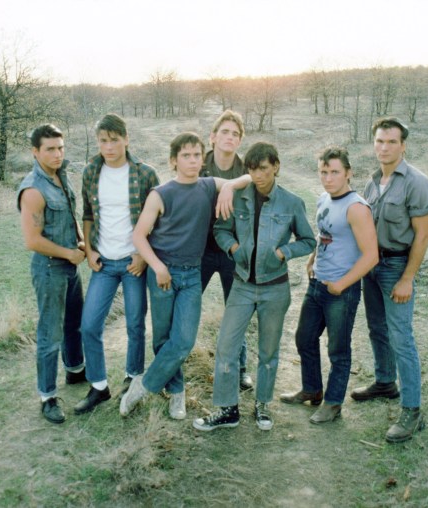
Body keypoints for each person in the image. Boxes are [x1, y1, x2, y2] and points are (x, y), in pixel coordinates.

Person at [120, 132, 251, 420]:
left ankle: (143, 385)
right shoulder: (161, 193)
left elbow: (250, 179)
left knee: (183, 340)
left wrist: (228, 187)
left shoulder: (206, 187)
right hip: (163, 274)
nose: (192, 161)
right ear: (174, 160)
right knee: (163, 338)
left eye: (196, 155)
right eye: (185, 156)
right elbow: (139, 236)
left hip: (192, 275)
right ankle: (177, 393)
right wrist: (157, 266)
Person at [192, 142, 316, 432]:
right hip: (242, 285)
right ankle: (227, 409)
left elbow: (309, 240)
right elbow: (221, 230)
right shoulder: (238, 197)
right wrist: (234, 248)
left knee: (269, 351)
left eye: (263, 168)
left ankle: (262, 405)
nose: (258, 174)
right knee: (226, 346)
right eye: (252, 169)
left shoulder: (292, 202)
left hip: (275, 288)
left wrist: (284, 252)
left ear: (275, 166)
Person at [351, 117, 428, 443]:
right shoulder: (373, 182)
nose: (384, 147)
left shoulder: (416, 182)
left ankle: (412, 411)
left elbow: (423, 235)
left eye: (391, 142)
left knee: (401, 336)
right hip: (372, 266)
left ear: (403, 145)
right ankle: (385, 382)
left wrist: (407, 278)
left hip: (397, 267)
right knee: (377, 329)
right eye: (379, 141)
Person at [279, 147, 378, 424]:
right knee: (304, 338)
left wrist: (342, 284)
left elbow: (371, 255)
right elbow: (326, 234)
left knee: (338, 350)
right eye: (324, 171)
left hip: (341, 291)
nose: (328, 178)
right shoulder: (324, 198)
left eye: (335, 172)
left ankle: (333, 404)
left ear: (348, 173)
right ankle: (311, 389)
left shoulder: (356, 207)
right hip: (317, 284)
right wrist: (312, 259)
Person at [73, 114, 159, 416]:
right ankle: (98, 386)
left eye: (114, 139)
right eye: (103, 141)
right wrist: (89, 249)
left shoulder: (144, 173)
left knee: (136, 324)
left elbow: (157, 219)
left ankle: (133, 377)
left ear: (126, 139)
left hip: (133, 262)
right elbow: (87, 214)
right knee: (89, 325)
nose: (108, 146)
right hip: (104, 263)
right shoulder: (90, 172)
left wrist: (141, 256)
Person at [17, 124, 86, 424]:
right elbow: (32, 240)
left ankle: (74, 370)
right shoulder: (33, 189)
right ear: (35, 152)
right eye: (50, 149)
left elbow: (69, 216)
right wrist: (69, 253)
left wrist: (81, 242)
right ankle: (47, 396)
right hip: (50, 268)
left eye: (60, 147)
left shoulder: (62, 175)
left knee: (75, 323)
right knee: (50, 333)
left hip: (70, 265)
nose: (57, 154)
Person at [199, 110, 253, 391]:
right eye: (225, 132)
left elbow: (256, 185)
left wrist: (233, 184)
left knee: (237, 310)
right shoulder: (199, 164)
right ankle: (174, 361)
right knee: (185, 304)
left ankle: (240, 368)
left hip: (233, 249)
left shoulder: (247, 169)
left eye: (235, 134)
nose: (230, 137)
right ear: (213, 137)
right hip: (200, 249)